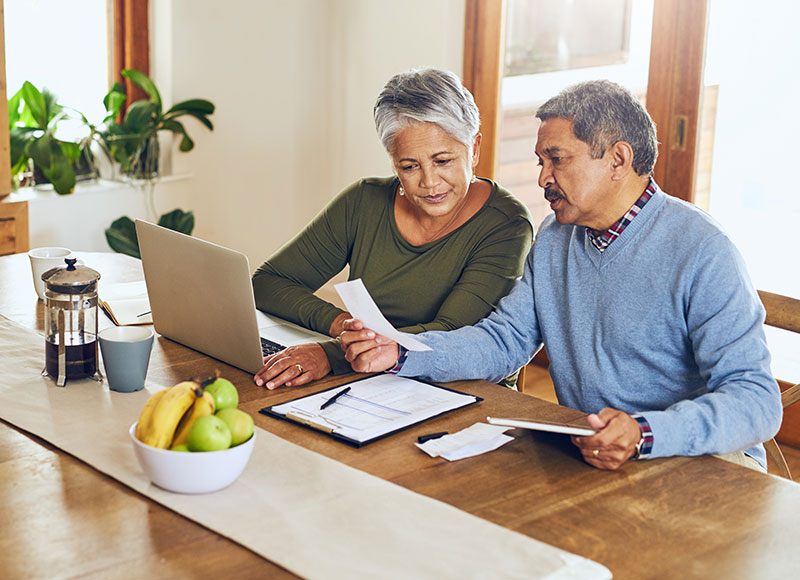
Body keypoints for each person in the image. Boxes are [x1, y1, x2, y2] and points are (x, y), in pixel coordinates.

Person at [340, 80, 782, 472]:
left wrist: (645, 433)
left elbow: (757, 402)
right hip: (595, 456)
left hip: (702, 464)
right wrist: (401, 352)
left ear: (618, 159)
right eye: (540, 162)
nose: (542, 178)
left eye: (556, 159)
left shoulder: (703, 250)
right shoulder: (555, 238)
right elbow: (504, 340)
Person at [251, 68, 533, 390]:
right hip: (370, 382)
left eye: (443, 161)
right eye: (409, 166)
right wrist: (344, 327)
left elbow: (453, 333)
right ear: (393, 159)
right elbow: (268, 283)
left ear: (474, 148)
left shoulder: (506, 224)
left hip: (462, 391)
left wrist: (332, 355)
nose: (429, 182)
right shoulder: (364, 201)